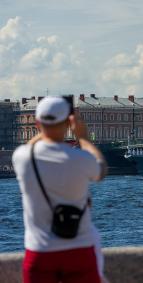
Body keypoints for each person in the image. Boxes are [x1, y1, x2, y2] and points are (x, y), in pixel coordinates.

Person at [12, 96, 108, 283]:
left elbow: (32, 145)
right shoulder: (80, 159)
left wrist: (46, 129)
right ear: (67, 122)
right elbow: (101, 169)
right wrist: (83, 138)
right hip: (79, 250)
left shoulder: (22, 157)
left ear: (37, 123)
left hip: (39, 252)